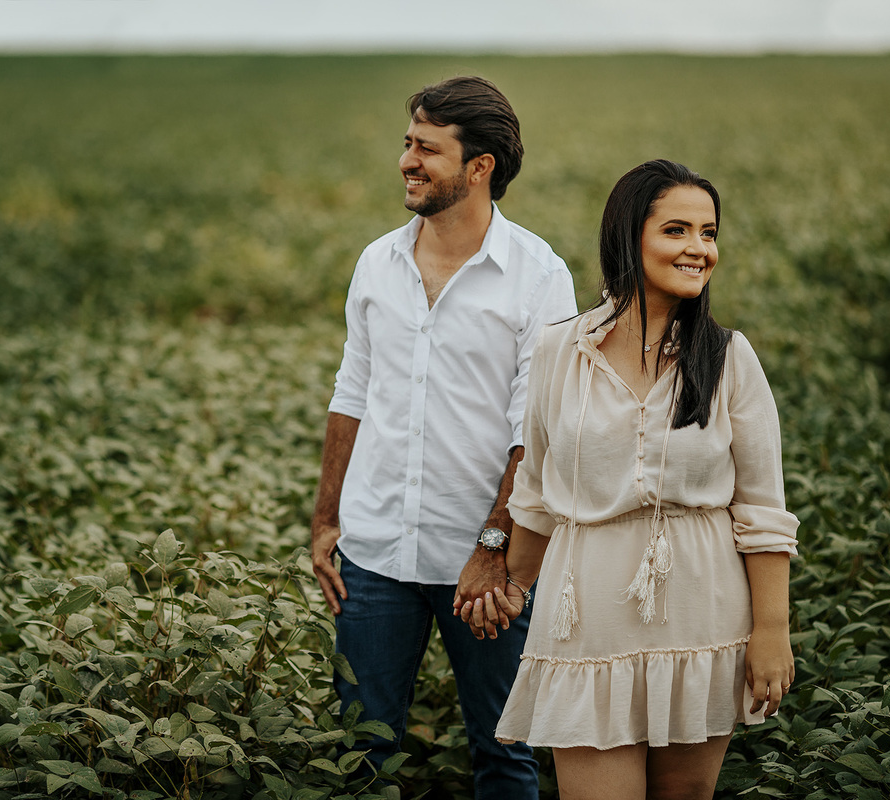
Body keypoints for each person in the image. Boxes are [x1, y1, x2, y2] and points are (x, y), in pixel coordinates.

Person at [460, 159, 799, 799]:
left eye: (708, 232)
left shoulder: (730, 357)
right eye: (677, 230)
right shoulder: (562, 350)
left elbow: (763, 512)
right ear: (628, 237)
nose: (699, 249)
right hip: (586, 619)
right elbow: (536, 491)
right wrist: (509, 583)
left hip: (704, 616)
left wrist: (771, 634)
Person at [310, 76, 577, 799]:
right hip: (374, 557)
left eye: (427, 148)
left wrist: (495, 549)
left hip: (480, 566)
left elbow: (539, 427)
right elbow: (351, 391)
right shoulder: (377, 262)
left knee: (504, 754)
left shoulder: (539, 276)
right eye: (407, 144)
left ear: (479, 166)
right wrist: (327, 518)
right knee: (362, 754)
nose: (406, 161)